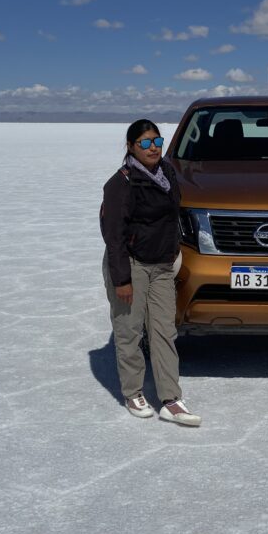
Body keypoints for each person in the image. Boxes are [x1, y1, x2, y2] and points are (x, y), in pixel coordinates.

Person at [100, 119, 201, 426]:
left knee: (164, 333)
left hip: (161, 266)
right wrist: (122, 280)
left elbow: (172, 219)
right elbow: (113, 235)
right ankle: (133, 392)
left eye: (156, 141)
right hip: (131, 265)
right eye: (144, 143)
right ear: (131, 146)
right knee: (129, 331)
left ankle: (170, 399)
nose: (152, 148)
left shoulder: (167, 174)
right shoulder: (121, 184)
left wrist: (173, 253)